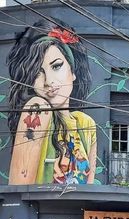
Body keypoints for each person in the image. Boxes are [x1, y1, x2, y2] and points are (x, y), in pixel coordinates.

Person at [7, 17, 97, 185]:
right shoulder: (37, 109)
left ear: (73, 71)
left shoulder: (85, 124)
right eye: (37, 73)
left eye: (56, 66)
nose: (48, 82)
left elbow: (89, 187)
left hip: (79, 210)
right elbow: (19, 190)